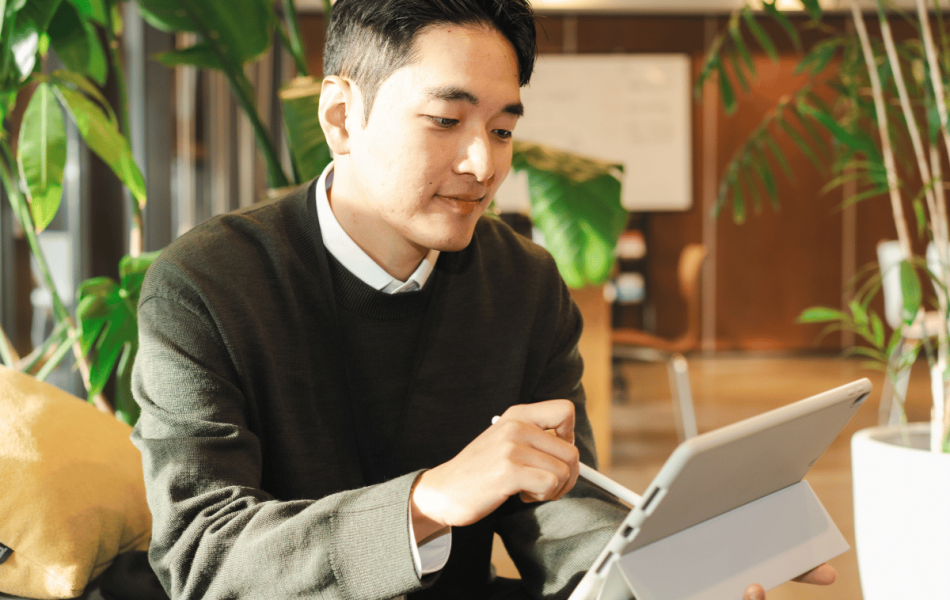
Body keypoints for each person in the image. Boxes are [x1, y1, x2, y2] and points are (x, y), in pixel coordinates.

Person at [130, 0, 836, 598]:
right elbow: (203, 552)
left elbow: (557, 512)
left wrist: (655, 577)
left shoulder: (523, 286)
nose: (484, 165)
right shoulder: (206, 286)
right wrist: (426, 501)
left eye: (502, 129)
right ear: (341, 116)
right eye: (446, 121)